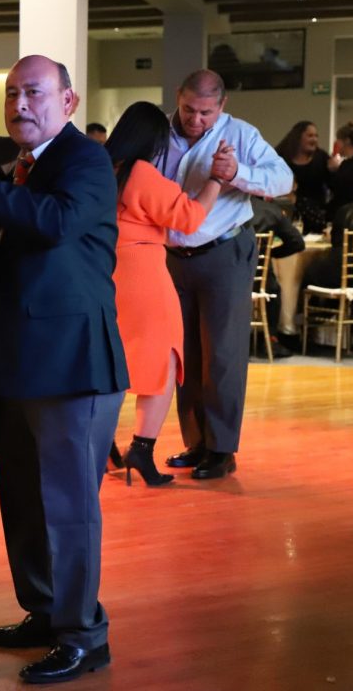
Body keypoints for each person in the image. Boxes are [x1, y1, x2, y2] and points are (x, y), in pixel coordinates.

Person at [0, 54, 129, 686]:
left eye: (34, 93)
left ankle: (83, 636)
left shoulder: (84, 159)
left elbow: (57, 222)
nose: (19, 105)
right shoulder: (21, 167)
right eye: (13, 93)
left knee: (70, 509)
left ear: (68, 102)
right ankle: (46, 613)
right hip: (20, 363)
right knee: (23, 498)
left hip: (73, 363)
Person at [161, 69, 292, 480]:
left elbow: (284, 180)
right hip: (172, 256)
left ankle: (221, 448)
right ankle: (196, 442)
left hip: (224, 250)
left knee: (222, 353)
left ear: (222, 105)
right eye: (189, 109)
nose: (195, 119)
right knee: (184, 354)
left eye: (206, 112)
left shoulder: (242, 134)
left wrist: (236, 174)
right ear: (178, 96)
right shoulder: (158, 133)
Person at [105, 102, 222, 487]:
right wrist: (216, 181)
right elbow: (188, 218)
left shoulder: (103, 168)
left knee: (112, 361)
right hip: (144, 275)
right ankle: (141, 448)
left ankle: (104, 444)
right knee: (164, 359)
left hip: (107, 273)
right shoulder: (141, 172)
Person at [250, 195, 305, 354]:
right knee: (273, 289)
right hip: (260, 280)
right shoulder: (271, 211)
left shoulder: (226, 207)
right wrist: (270, 254)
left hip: (228, 277)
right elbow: (297, 242)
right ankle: (271, 339)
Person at [275, 120, 332, 234]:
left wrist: (334, 171)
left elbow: (334, 185)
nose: (314, 139)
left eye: (316, 136)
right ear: (298, 137)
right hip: (288, 211)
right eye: (310, 136)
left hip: (315, 215)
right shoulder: (281, 157)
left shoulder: (322, 158)